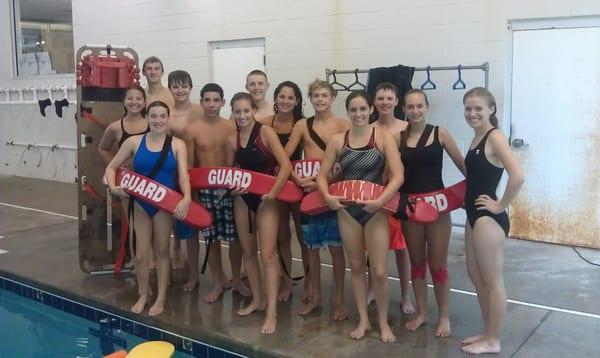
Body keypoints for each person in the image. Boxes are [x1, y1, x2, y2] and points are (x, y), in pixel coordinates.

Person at [316, 90, 403, 343]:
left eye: (362, 109)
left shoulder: (383, 137)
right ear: (348, 112)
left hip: (374, 210)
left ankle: (384, 322)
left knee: (378, 271)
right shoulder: (337, 140)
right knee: (355, 267)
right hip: (347, 210)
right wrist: (329, 198)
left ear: (370, 110)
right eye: (353, 110)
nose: (358, 114)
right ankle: (364, 320)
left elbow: (398, 175)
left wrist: (380, 202)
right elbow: (322, 175)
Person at [105, 101, 191, 316]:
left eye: (163, 116)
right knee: (141, 256)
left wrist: (187, 198)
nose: (158, 120)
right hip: (140, 204)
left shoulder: (178, 144)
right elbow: (111, 166)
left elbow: (183, 176)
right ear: (147, 118)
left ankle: (160, 298)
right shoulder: (134, 142)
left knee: (162, 252)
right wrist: (114, 188)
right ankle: (143, 294)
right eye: (154, 116)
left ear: (168, 118)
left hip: (163, 205)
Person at [396, 89, 466, 338]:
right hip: (411, 207)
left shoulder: (440, 133)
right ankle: (422, 313)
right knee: (417, 264)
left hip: (437, 207)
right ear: (404, 109)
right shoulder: (398, 138)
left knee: (438, 265)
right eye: (410, 107)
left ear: (427, 107)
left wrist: (473, 191)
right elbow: (390, 174)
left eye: (419, 106)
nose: (415, 111)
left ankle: (444, 316)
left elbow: (462, 164)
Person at [460, 87, 523, 355]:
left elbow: (517, 175)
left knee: (493, 281)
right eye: (468, 108)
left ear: (491, 110)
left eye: (478, 109)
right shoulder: (477, 137)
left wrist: (500, 205)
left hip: (488, 218)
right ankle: (487, 332)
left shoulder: (494, 136)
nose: (472, 113)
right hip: (473, 215)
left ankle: (493, 340)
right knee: (476, 276)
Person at [227, 92, 292, 334]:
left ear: (254, 110)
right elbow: (229, 172)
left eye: (246, 111)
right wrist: (233, 190)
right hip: (243, 199)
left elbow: (285, 165)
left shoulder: (266, 133)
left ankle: (272, 311)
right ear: (232, 113)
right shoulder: (231, 138)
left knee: (267, 255)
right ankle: (258, 299)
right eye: (237, 112)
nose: (242, 116)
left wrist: (274, 193)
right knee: (248, 252)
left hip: (266, 199)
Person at [285, 79, 350, 320]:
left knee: (336, 249)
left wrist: (332, 181)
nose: (320, 100)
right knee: (310, 247)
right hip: (309, 192)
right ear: (310, 99)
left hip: (333, 192)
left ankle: (339, 299)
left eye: (324, 95)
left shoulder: (343, 124)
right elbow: (285, 155)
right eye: (316, 96)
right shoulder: (303, 125)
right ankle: (316, 297)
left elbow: (349, 158)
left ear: (332, 98)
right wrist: (297, 180)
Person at [182, 83, 250, 301]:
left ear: (222, 102)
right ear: (201, 101)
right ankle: (218, 282)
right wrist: (192, 198)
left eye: (216, 100)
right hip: (205, 190)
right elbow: (189, 167)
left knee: (236, 238)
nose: (211, 104)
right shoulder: (191, 129)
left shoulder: (232, 127)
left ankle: (237, 279)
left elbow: (241, 159)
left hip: (230, 188)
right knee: (211, 239)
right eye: (207, 100)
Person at [260, 81, 307, 302]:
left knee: (303, 236)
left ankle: (310, 282)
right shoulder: (265, 124)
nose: (286, 101)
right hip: (275, 185)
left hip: (297, 187)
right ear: (276, 98)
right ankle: (287, 282)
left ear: (297, 101)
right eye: (282, 96)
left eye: (291, 97)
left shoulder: (302, 124)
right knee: (282, 238)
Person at [371, 82, 415, 315]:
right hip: (375, 193)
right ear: (374, 102)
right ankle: (371, 289)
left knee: (402, 248)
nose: (385, 102)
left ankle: (406, 295)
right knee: (373, 246)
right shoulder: (368, 129)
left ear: (397, 102)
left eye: (389, 98)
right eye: (381, 98)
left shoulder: (408, 128)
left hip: (401, 193)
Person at [167, 70, 204, 270]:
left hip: (200, 167)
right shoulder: (168, 115)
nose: (180, 90)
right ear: (170, 88)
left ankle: (196, 252)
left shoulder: (200, 110)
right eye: (175, 86)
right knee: (178, 211)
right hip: (178, 169)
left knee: (197, 211)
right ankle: (177, 249)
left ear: (190, 87)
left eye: (184, 86)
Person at [98, 85, 149, 164]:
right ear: (124, 102)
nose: (134, 102)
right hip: (127, 174)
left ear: (144, 103)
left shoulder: (153, 126)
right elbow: (103, 149)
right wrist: (116, 167)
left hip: (150, 175)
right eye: (130, 98)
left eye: (138, 99)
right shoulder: (115, 127)